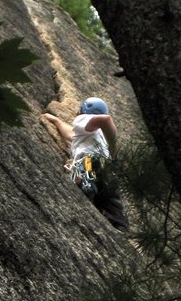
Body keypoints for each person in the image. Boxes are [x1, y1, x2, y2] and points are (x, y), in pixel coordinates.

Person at [42, 97, 128, 231]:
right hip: (107, 173)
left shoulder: (84, 118)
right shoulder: (96, 135)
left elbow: (106, 120)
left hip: (88, 162)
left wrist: (113, 149)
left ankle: (85, 188)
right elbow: (72, 135)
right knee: (113, 207)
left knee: (82, 184)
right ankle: (121, 228)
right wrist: (56, 121)